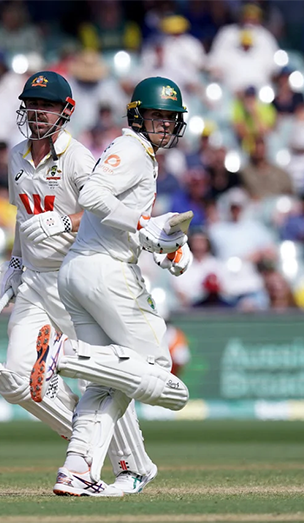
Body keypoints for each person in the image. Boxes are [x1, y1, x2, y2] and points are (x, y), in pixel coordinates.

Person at [0, 71, 159, 497]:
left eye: (47, 106)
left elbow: (100, 209)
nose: (38, 113)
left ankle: (132, 466)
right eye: (32, 104)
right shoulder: (16, 157)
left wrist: (63, 221)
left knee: (102, 378)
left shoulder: (78, 159)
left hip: (74, 278)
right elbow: (23, 217)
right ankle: (89, 444)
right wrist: (15, 260)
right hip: (34, 283)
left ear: (66, 111)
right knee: (18, 381)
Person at [28, 77, 191, 496]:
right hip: (107, 273)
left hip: (81, 271)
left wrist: (167, 246)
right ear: (137, 116)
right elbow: (93, 195)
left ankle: (77, 468)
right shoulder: (131, 149)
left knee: (107, 382)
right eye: (156, 115)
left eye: (170, 118)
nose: (164, 124)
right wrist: (142, 224)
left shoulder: (142, 155)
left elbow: (122, 220)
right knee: (157, 368)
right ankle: (66, 354)